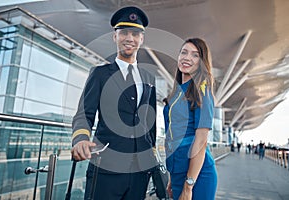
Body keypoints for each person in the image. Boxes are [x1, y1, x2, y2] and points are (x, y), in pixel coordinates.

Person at [71, 6, 157, 200]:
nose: (129, 38)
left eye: (135, 33)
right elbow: (84, 113)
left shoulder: (148, 78)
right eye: (124, 33)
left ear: (141, 39)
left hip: (140, 170)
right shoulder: (100, 74)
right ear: (115, 37)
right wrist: (80, 138)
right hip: (107, 166)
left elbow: (150, 122)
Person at [164, 38, 217, 200]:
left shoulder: (202, 90)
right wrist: (173, 178)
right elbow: (171, 136)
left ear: (201, 62)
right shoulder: (177, 92)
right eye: (184, 52)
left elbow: (201, 141)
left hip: (196, 175)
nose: (187, 58)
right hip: (178, 170)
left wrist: (189, 186)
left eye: (195, 55)